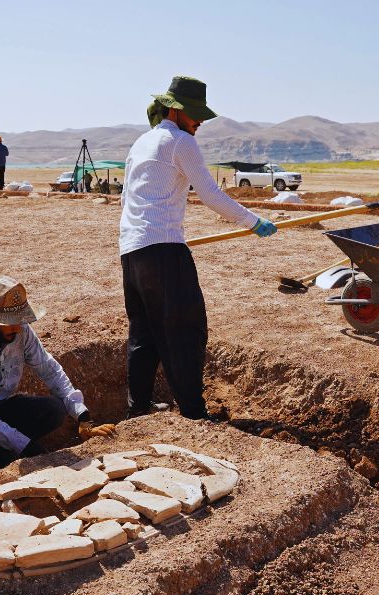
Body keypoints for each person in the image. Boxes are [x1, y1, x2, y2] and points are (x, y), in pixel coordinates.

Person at [120, 76, 278, 420]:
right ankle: (193, 411)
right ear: (175, 112)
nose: (200, 122)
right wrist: (253, 221)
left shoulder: (141, 143)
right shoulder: (180, 142)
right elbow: (210, 194)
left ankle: (139, 409)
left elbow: (127, 197)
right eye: (195, 114)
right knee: (184, 328)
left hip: (132, 251)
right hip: (163, 249)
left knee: (144, 333)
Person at [0, 277, 116, 480]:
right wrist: (27, 447)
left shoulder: (22, 332)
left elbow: (49, 369)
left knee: (54, 410)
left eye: (20, 320)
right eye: (9, 322)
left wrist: (82, 416)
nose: (17, 328)